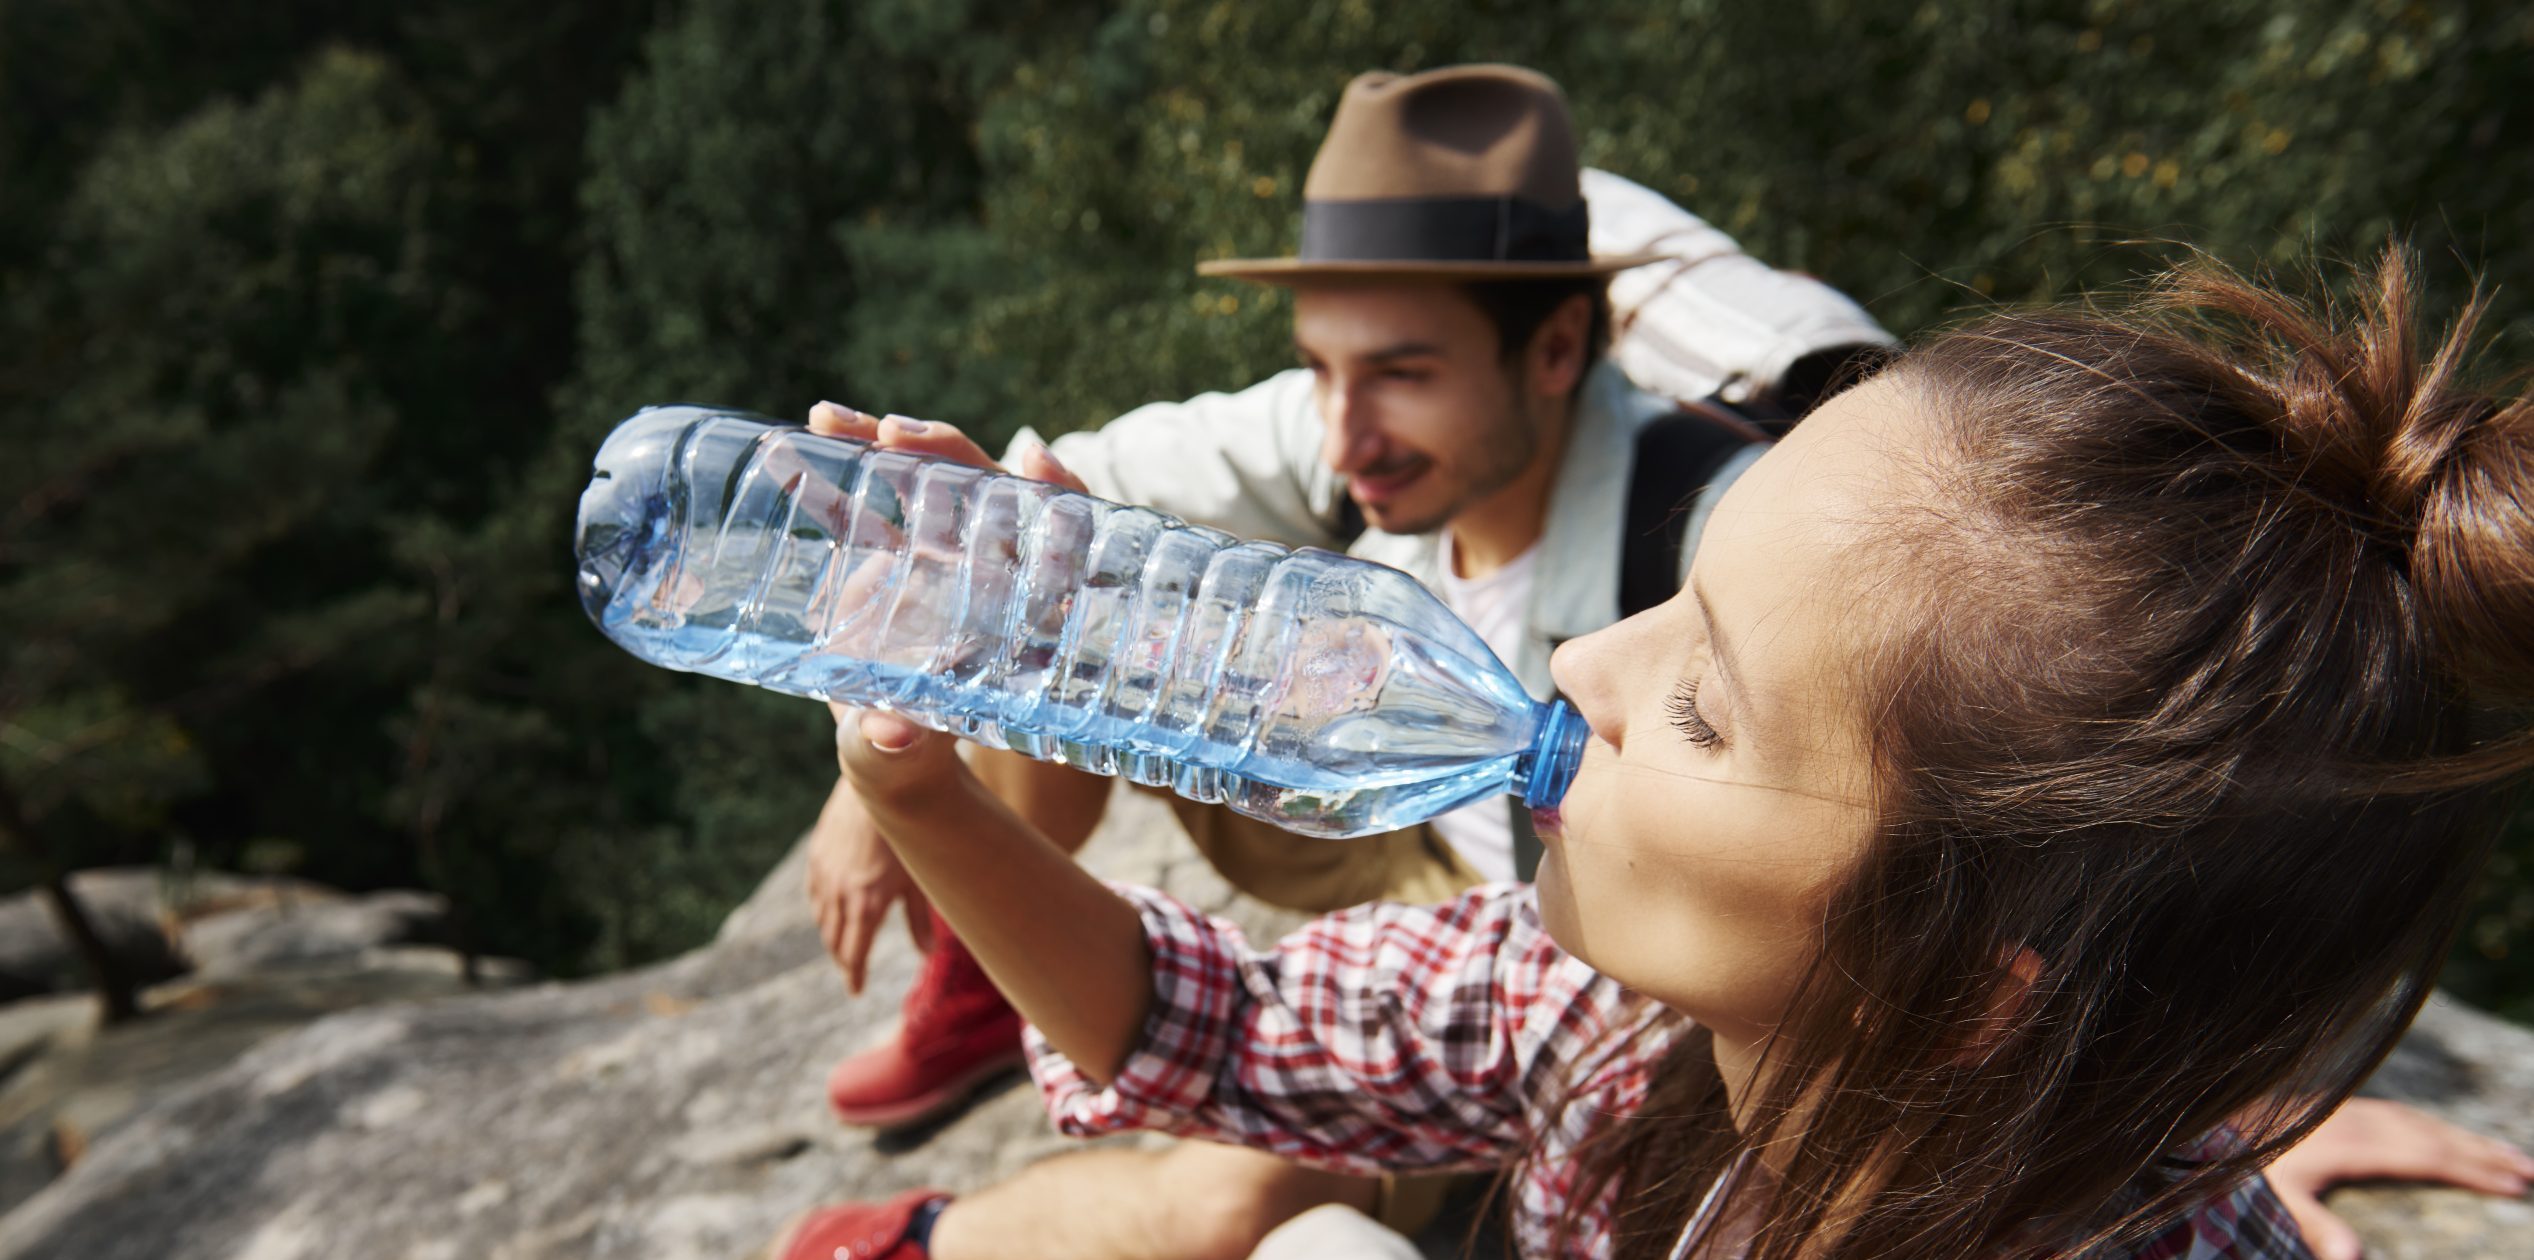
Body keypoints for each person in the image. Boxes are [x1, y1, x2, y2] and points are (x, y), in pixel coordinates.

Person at [777, 66, 2531, 1260]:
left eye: (1697, 697)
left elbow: (2111, 806)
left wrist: (2231, 1101)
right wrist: (916, 775)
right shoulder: (1610, 1026)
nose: (1591, 665)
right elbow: (1200, 1013)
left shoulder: (1829, 542)